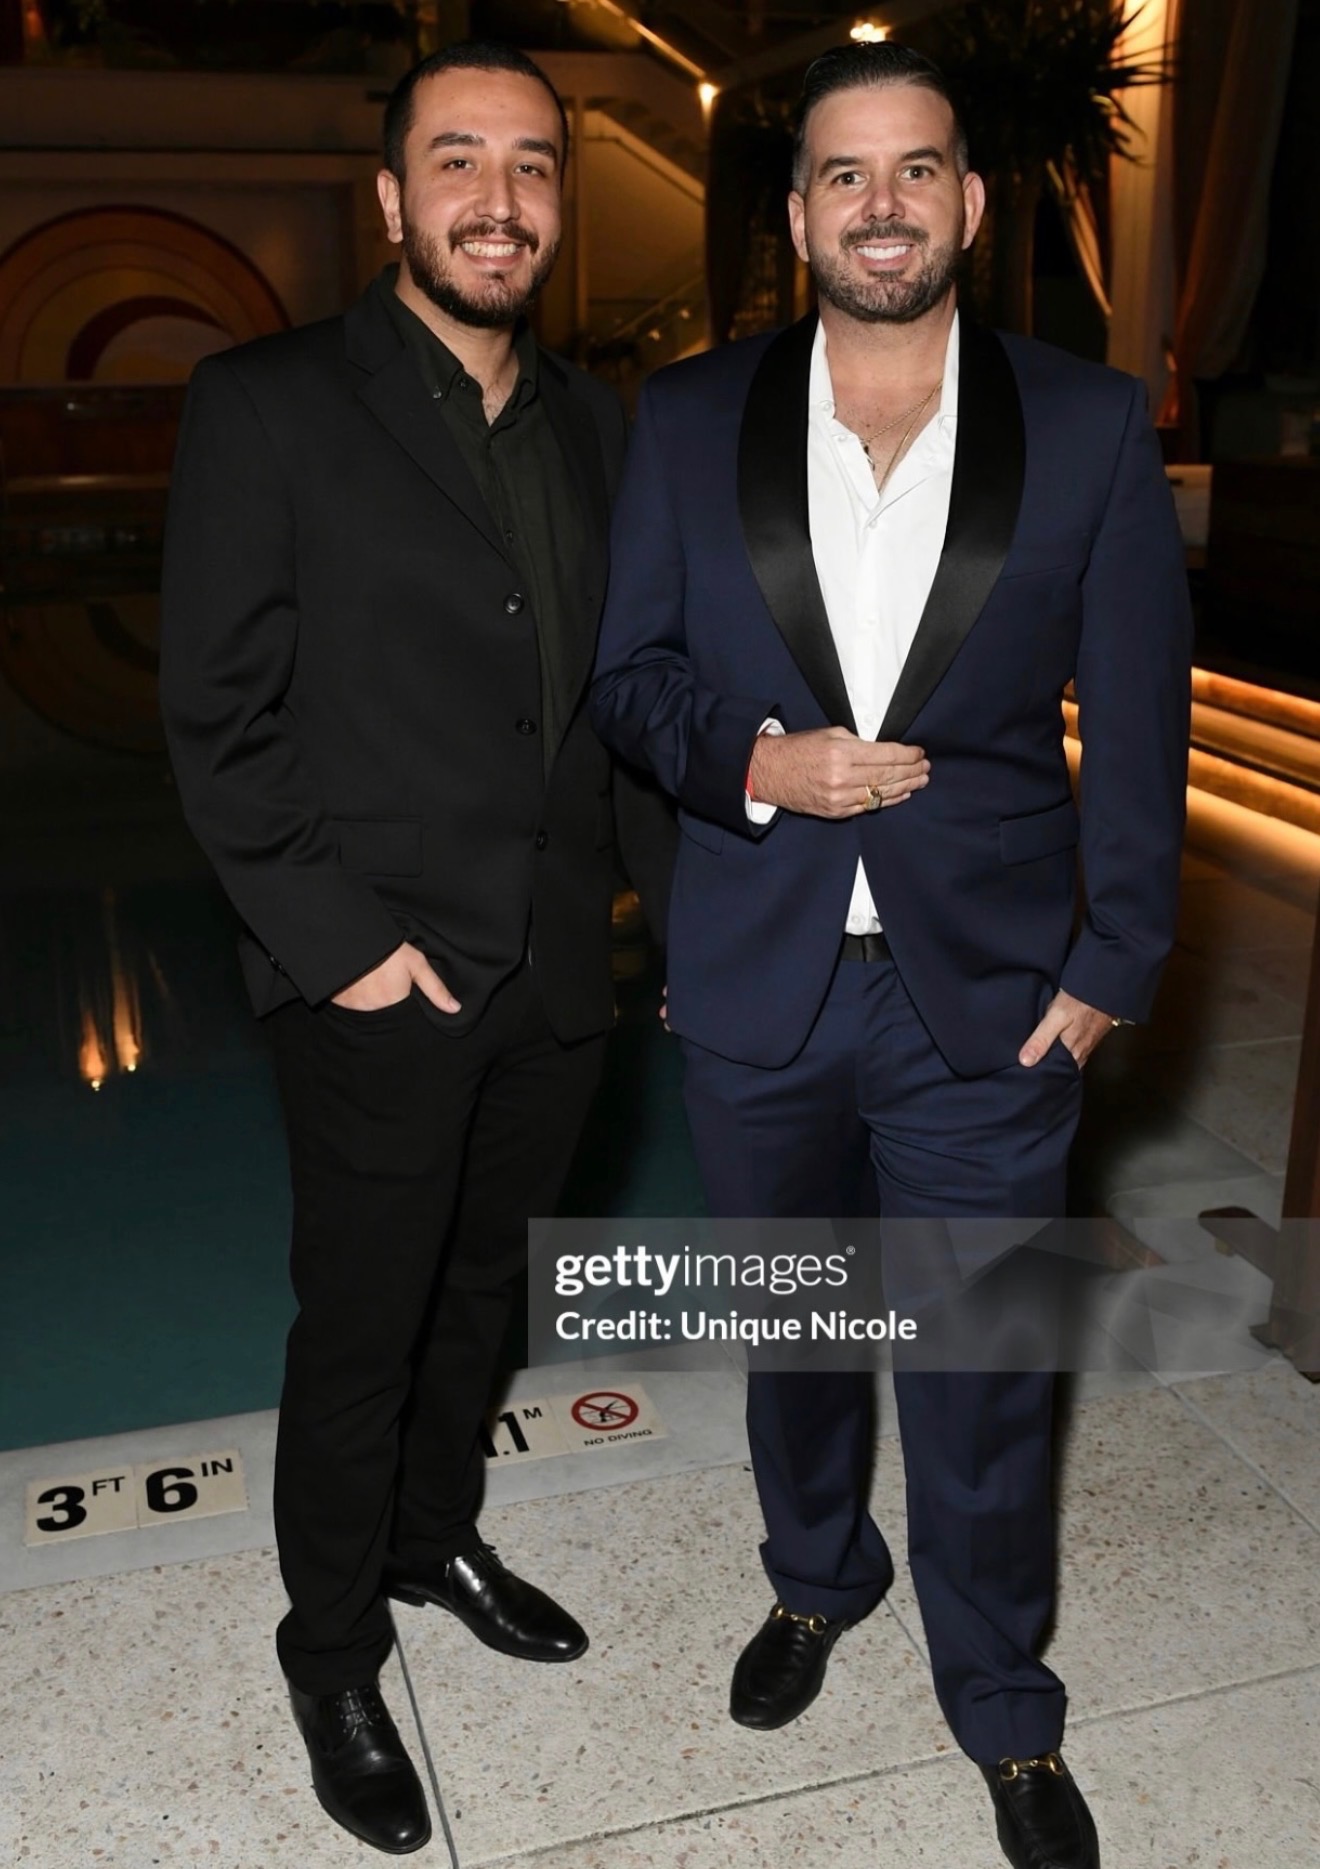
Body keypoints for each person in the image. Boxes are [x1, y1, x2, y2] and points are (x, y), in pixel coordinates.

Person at [591, 40, 1190, 1869]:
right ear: (796, 215)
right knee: (796, 1330)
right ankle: (814, 1576)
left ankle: (1004, 1700)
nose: (881, 205)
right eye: (845, 177)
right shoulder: (690, 419)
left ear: (969, 201)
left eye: (916, 171)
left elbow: (1144, 717)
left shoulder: (1083, 426)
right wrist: (754, 769)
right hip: (763, 973)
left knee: (986, 1361)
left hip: (994, 998)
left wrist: (1115, 963)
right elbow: (629, 684)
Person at [160, 41, 672, 1857]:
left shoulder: (605, 424)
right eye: (457, 160)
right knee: (364, 1323)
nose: (499, 197)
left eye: (533, 165)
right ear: (390, 201)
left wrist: (659, 923)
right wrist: (353, 953)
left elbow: (622, 698)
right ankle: (330, 1639)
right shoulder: (267, 402)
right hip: (377, 974)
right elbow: (220, 723)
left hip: (554, 967)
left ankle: (437, 1530)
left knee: (486, 1292)